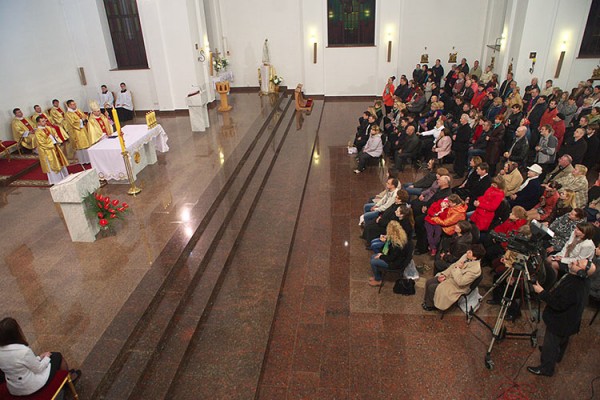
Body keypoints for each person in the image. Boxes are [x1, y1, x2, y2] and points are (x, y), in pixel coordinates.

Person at [527, 259, 591, 376]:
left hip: (560, 321)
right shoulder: (582, 281)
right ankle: (558, 356)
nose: (574, 262)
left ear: (581, 272)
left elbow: (557, 304)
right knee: (562, 340)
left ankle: (546, 369)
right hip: (570, 320)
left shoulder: (573, 287)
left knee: (550, 344)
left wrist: (541, 291)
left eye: (577, 264)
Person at [0, 317, 81, 396]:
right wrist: (46, 357)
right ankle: (68, 380)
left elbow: (18, 365)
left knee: (46, 358)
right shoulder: (23, 351)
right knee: (57, 356)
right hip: (30, 386)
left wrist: (39, 358)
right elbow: (38, 369)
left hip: (14, 388)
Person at [422, 244, 485, 311]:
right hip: (452, 277)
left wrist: (458, 268)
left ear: (474, 257)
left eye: (470, 252)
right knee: (429, 282)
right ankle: (427, 302)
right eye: (469, 250)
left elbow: (461, 282)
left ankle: (431, 305)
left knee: (432, 287)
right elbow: (453, 265)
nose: (467, 252)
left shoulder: (475, 269)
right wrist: (445, 274)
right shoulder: (466, 256)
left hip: (458, 286)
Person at [369, 221, 412, 287]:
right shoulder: (401, 236)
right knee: (373, 256)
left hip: (395, 263)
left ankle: (378, 280)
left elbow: (391, 258)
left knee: (373, 261)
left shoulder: (397, 245)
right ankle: (377, 276)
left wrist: (381, 256)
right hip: (395, 258)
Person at [34, 116, 69, 184]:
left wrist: (55, 136)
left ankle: (63, 176)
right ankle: (56, 180)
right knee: (52, 165)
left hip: (54, 147)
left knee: (60, 162)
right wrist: (51, 141)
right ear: (38, 123)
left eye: (45, 121)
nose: (44, 122)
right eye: (42, 121)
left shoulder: (47, 128)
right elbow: (42, 142)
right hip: (47, 151)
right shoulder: (38, 132)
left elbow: (54, 133)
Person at [452, 114, 472, 178]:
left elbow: (465, 138)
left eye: (461, 119)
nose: (460, 120)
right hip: (458, 146)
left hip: (462, 147)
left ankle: (460, 173)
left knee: (461, 160)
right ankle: (456, 170)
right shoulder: (461, 126)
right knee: (457, 159)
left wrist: (456, 137)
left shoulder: (467, 128)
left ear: (465, 120)